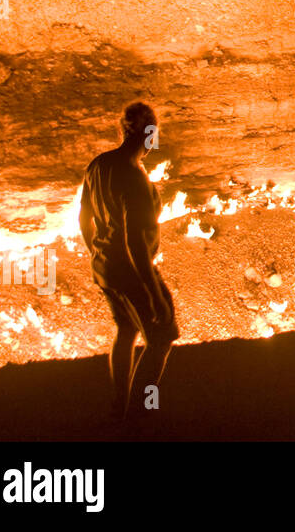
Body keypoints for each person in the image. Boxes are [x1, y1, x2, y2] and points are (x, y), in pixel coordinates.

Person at [78, 101, 179, 421]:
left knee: (125, 329)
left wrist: (96, 253)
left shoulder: (98, 165)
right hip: (131, 271)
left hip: (105, 267)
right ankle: (139, 413)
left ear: (123, 130)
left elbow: (84, 219)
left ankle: (119, 405)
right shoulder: (134, 178)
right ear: (149, 134)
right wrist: (152, 292)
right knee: (162, 337)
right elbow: (135, 243)